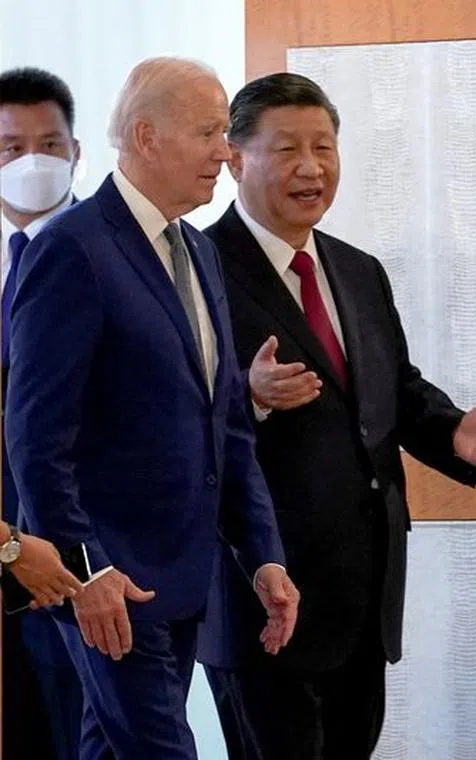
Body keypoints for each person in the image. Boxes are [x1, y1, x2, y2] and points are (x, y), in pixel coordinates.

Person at [198, 72, 476, 760]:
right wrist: (247, 395)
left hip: (361, 595)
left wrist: (450, 429)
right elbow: (166, 415)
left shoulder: (357, 269)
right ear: (235, 160)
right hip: (261, 595)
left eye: (323, 147)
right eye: (287, 149)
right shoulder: (198, 268)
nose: (311, 167)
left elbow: (390, 387)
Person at [4, 57, 301, 760]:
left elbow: (226, 424)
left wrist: (263, 555)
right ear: (146, 136)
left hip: (183, 579)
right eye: (208, 132)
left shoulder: (197, 249)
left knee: (109, 747)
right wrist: (86, 570)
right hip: (111, 582)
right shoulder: (71, 250)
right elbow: (35, 437)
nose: (225, 152)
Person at [0, 65, 86, 760]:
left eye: (49, 145)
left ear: (76, 152)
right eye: (12, 147)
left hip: (88, 565)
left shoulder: (116, 252)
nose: (32, 161)